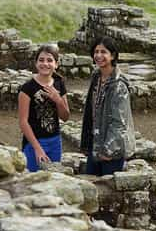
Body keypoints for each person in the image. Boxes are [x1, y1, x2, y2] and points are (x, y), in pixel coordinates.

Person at [80, 36, 136, 176]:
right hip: (96, 143)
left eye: (103, 52)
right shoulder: (96, 77)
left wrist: (108, 150)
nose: (99, 55)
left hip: (112, 150)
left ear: (113, 55)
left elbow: (119, 122)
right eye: (96, 51)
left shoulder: (119, 86)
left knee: (108, 190)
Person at [17, 44, 70, 172]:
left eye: (49, 60)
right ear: (36, 63)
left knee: (54, 179)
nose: (45, 64)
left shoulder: (59, 83)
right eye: (41, 60)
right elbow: (23, 122)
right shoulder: (27, 88)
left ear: (56, 64)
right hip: (34, 142)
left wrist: (58, 100)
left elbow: (65, 116)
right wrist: (37, 148)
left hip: (55, 141)